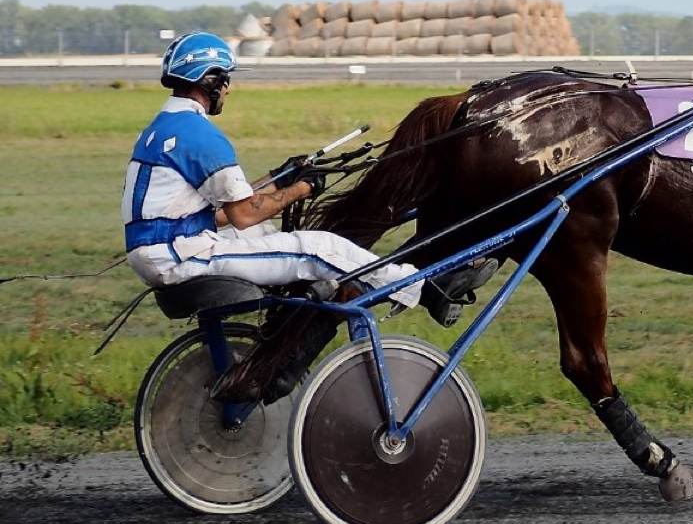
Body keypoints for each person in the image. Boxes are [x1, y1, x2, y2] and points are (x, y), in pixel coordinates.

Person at [122, 32, 495, 400]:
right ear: (211, 79)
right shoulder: (200, 135)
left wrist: (279, 177)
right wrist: (303, 189)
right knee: (318, 248)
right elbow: (242, 214)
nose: (229, 90)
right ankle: (424, 287)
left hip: (164, 250)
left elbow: (220, 211)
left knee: (270, 235)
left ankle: (293, 325)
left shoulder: (162, 129)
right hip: (182, 255)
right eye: (227, 80)